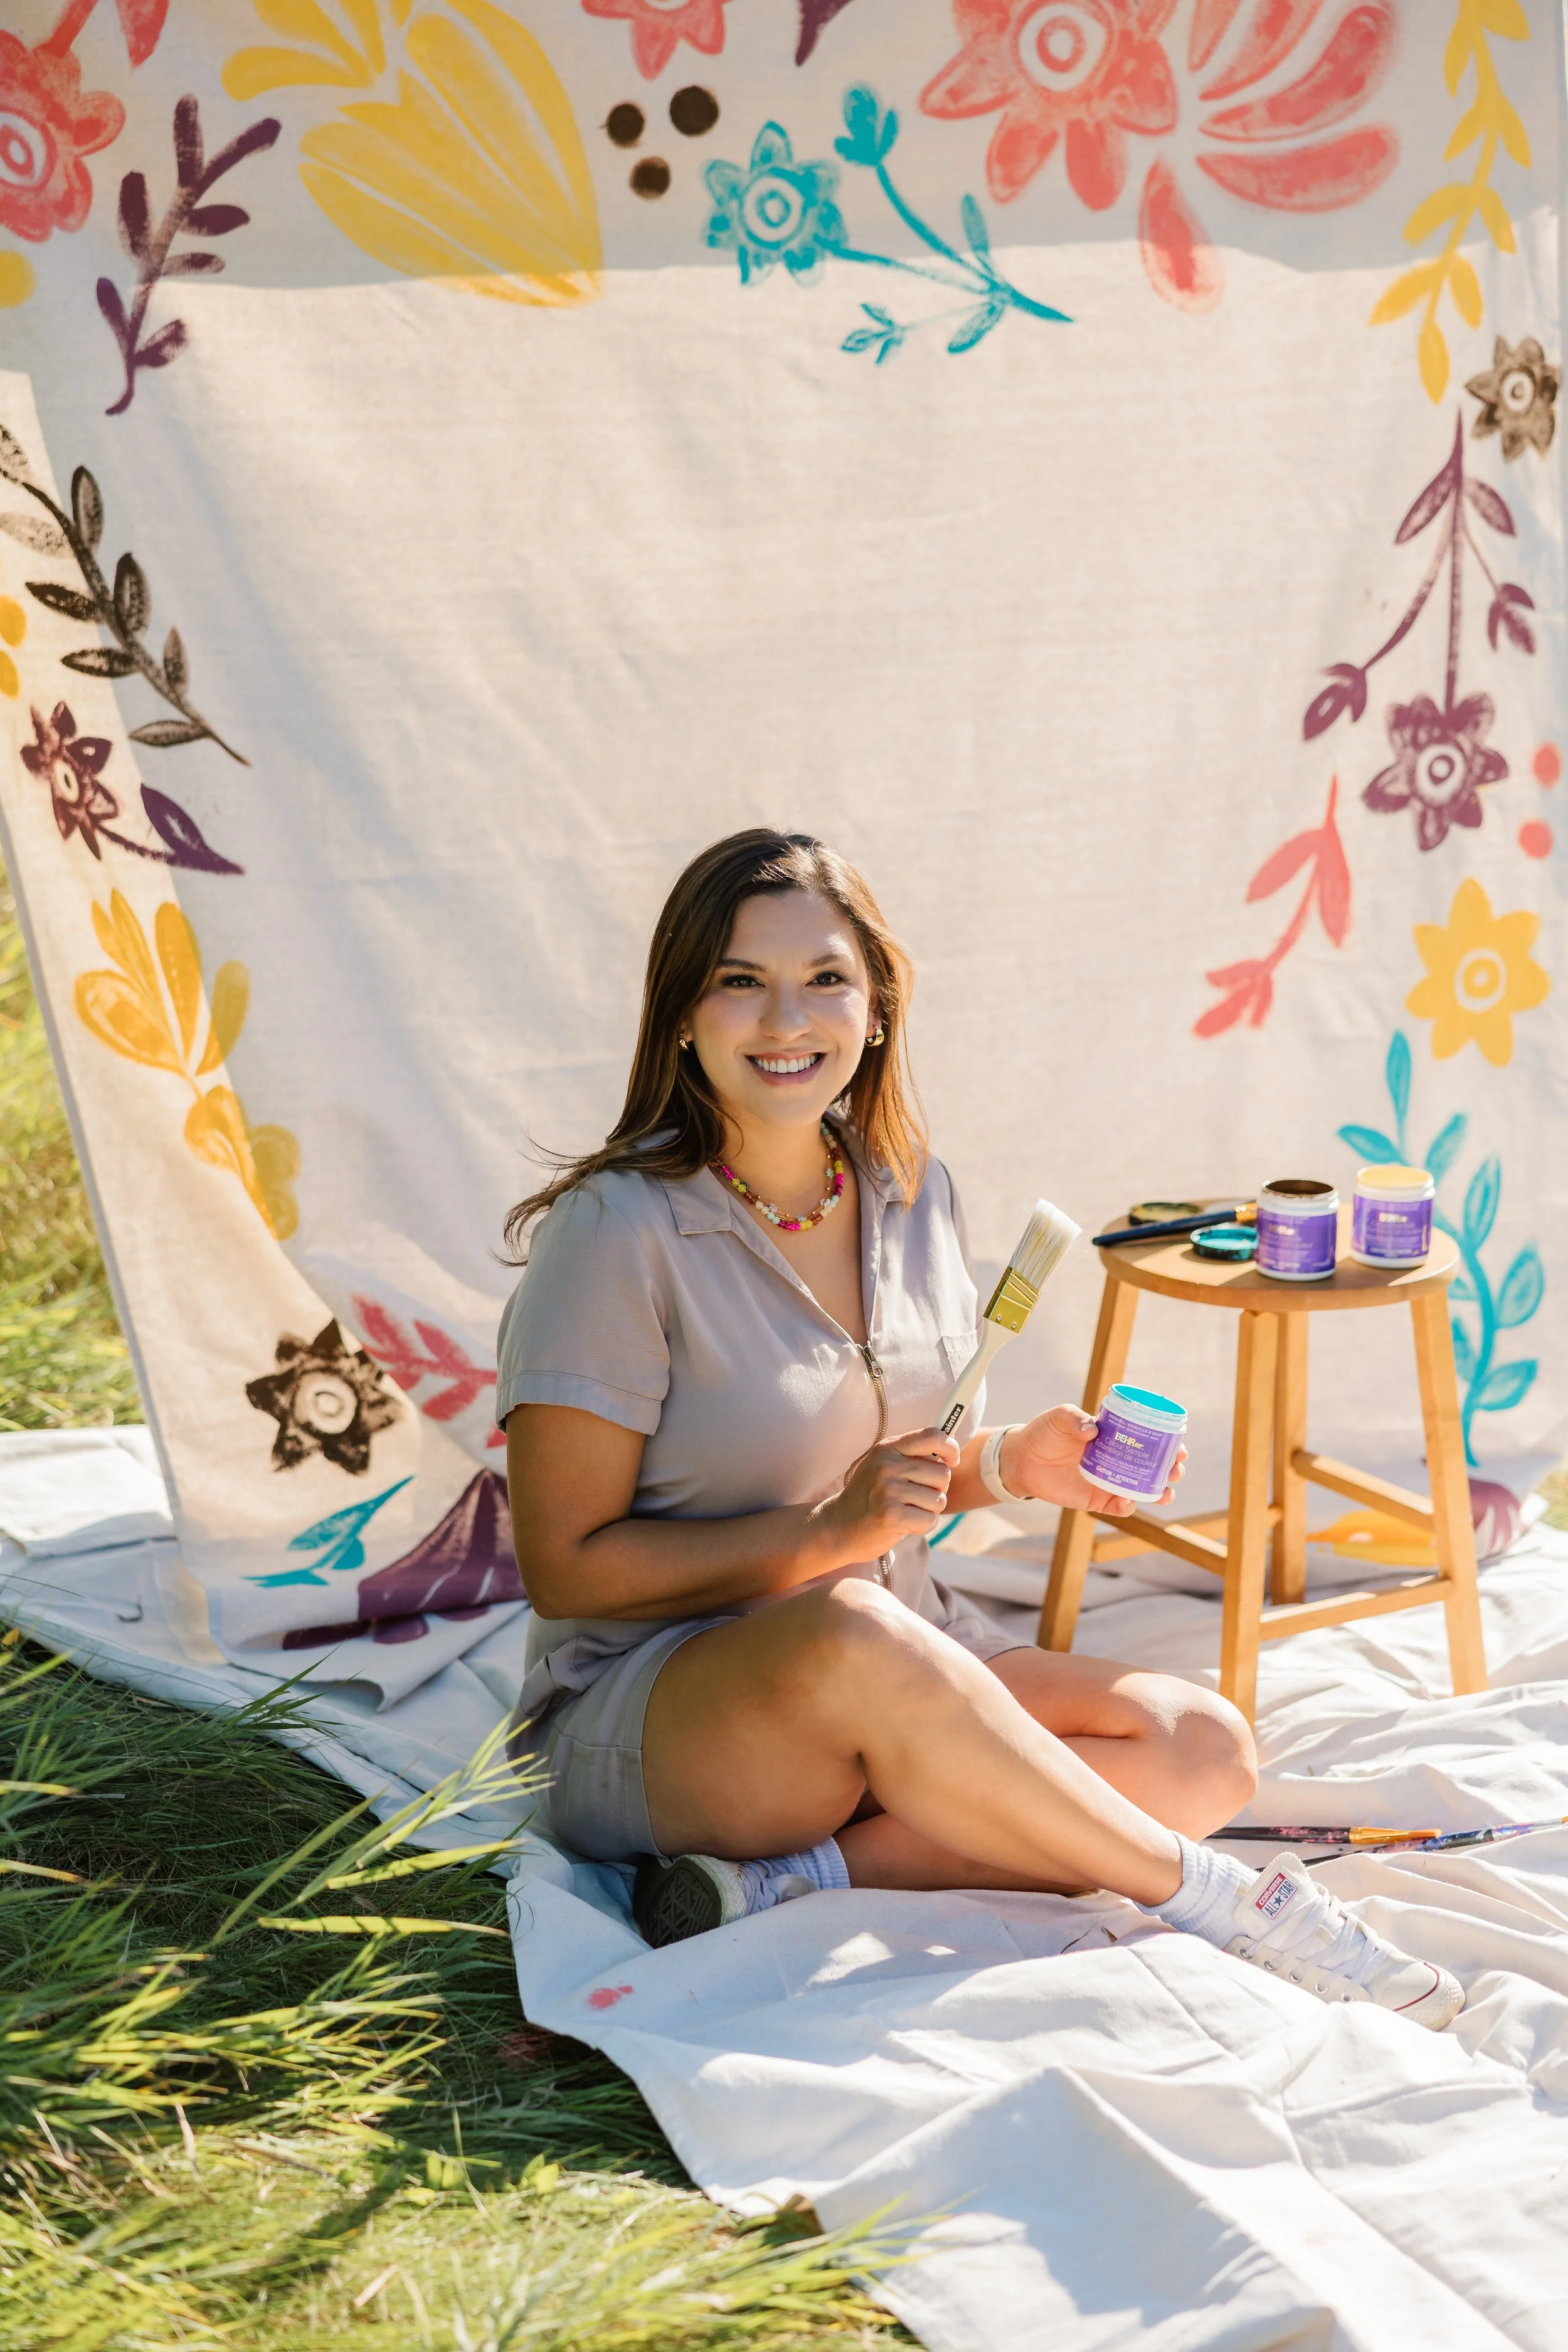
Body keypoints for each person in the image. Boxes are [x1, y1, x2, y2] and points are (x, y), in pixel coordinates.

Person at [496, 830, 1462, 2029]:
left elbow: (891, 1472)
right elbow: (565, 1563)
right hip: (664, 1708)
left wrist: (1004, 1464)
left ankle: (784, 1883)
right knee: (852, 1620)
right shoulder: (616, 1231)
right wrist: (822, 1537)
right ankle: (1221, 1900)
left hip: (904, 1648)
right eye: (740, 979)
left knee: (1202, 1748)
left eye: (825, 978)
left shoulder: (908, 1190)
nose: (786, 1016)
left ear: (878, 1006)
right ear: (682, 1013)